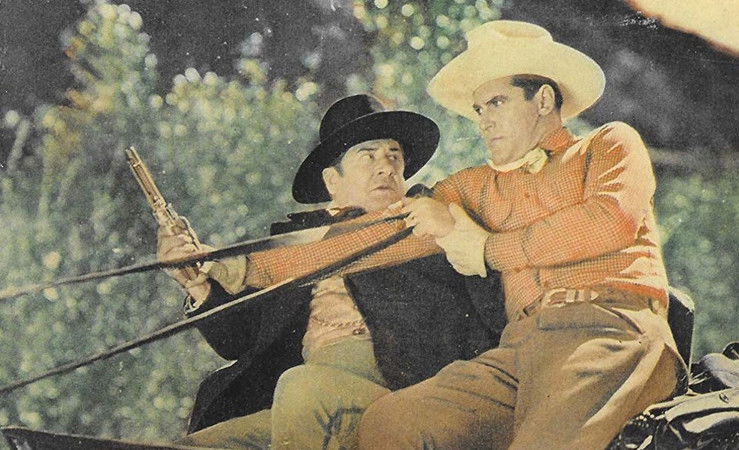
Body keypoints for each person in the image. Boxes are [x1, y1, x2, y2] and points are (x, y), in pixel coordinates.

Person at [239, 20, 685, 449]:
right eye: (478, 109)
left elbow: (607, 222)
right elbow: (374, 241)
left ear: (544, 100)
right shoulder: (471, 187)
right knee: (393, 423)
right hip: (519, 349)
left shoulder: (608, 143)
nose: (483, 121)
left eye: (496, 103)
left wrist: (488, 249)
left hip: (609, 330)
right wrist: (243, 268)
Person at [158, 94, 504, 450]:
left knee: (302, 389)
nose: (386, 167)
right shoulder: (297, 243)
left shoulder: (432, 220)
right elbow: (239, 341)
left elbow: (493, 307)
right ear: (331, 180)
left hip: (401, 397)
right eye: (368, 156)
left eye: (394, 156)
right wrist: (198, 284)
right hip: (305, 399)